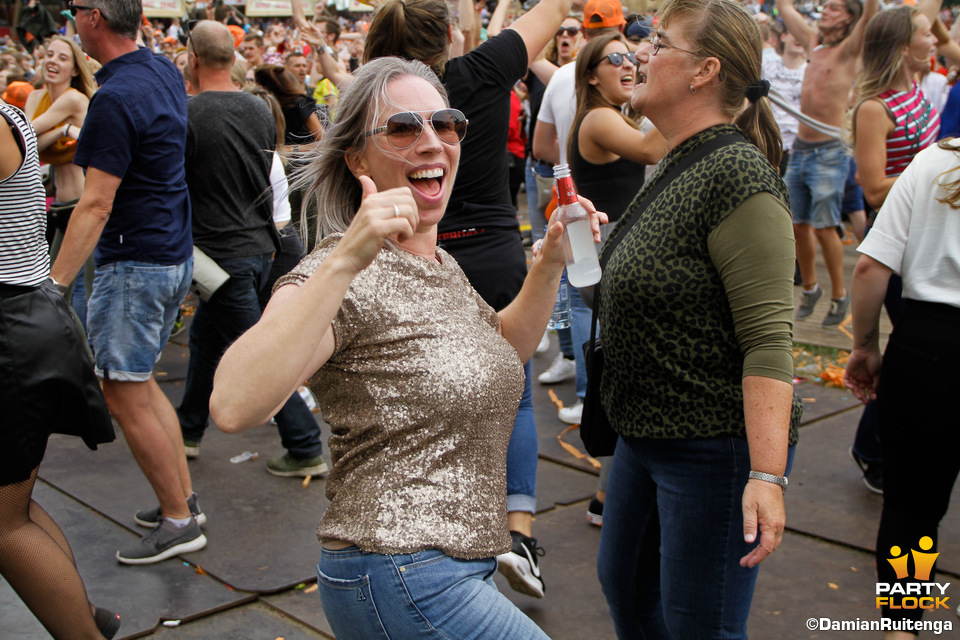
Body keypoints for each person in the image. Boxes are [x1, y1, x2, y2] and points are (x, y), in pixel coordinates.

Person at [210, 56, 603, 640]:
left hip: (456, 567)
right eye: (403, 128)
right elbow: (234, 405)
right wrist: (344, 259)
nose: (432, 141)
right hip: (399, 571)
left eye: (445, 125)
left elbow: (500, 349)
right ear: (357, 159)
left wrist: (548, 262)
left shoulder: (439, 263)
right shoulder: (336, 271)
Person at [358, 0, 582, 598]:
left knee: (415, 397)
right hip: (489, 253)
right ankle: (519, 531)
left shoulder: (374, 103)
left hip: (407, 256)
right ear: (451, 35)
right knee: (512, 391)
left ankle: (432, 533)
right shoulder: (481, 70)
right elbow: (554, 10)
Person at [596, 0, 800, 636]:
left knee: (700, 623)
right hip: (644, 435)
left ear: (704, 71)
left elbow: (769, 340)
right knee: (627, 590)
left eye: (658, 44)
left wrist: (766, 476)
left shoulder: (737, 175)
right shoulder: (679, 159)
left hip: (711, 448)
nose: (639, 55)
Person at [49, 0, 206, 565]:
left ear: (93, 18)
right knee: (138, 383)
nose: (70, 23)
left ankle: (179, 519)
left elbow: (94, 204)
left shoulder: (114, 97)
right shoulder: (160, 67)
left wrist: (54, 286)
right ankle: (182, 499)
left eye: (74, 12)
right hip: (166, 251)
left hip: (135, 259)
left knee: (121, 386)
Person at [175, 21, 328, 479]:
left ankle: (304, 446)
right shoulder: (258, 109)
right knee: (206, 339)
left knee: (261, 357)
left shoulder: (188, 114)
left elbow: (180, 186)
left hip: (222, 255)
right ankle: (187, 428)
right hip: (261, 248)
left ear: (193, 58)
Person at [0, 100, 120, 640]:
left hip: (13, 328)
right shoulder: (11, 113)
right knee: (12, 507)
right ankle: (81, 614)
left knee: (2, 521)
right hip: (23, 322)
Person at [844, 136, 960, 640]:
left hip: (930, 345)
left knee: (911, 504)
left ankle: (902, 628)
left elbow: (870, 266)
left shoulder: (935, 162)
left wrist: (864, 345)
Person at [847, 5, 940, 497]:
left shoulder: (919, 91)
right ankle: (871, 447)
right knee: (908, 351)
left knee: (917, 349)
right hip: (897, 241)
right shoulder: (874, 108)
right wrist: (938, 172)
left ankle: (881, 443)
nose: (935, 41)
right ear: (904, 47)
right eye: (925, 34)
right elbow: (873, 188)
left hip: (927, 233)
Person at [532, 0, 627, 395]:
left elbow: (540, 146)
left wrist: (567, 167)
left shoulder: (568, 80)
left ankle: (573, 365)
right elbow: (653, 150)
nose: (626, 63)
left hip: (576, 203)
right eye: (618, 54)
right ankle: (590, 395)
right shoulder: (610, 109)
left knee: (577, 296)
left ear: (581, 35)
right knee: (588, 302)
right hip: (600, 215)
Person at [776, 0, 878, 327]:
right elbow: (787, 11)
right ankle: (811, 288)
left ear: (849, 16)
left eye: (834, 7)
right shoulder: (814, 45)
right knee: (796, 223)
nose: (826, 11)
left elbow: (871, 13)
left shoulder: (849, 50)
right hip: (801, 148)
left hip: (830, 150)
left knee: (824, 225)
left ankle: (839, 294)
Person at [254, 65, 323, 150]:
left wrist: (291, 149)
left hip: (302, 159)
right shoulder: (267, 105)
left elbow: (323, 141)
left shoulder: (300, 103)